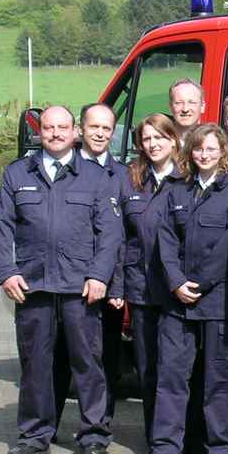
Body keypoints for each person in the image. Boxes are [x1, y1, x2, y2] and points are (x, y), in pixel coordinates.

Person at [0, 105, 123, 454]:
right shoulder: (19, 174)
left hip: (81, 289)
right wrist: (6, 272)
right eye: (49, 128)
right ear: (40, 132)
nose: (55, 134)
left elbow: (109, 233)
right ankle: (35, 434)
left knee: (88, 364)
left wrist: (99, 275)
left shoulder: (94, 178)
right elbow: (1, 228)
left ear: (74, 131)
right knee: (36, 365)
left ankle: (94, 435)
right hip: (33, 287)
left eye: (63, 127)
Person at [145, 124, 228, 454]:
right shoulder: (176, 189)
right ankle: (165, 448)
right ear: (190, 152)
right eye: (198, 149)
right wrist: (175, 282)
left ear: (223, 153)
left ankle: (218, 447)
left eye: (211, 149)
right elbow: (165, 238)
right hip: (177, 301)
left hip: (218, 299)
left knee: (218, 378)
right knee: (171, 375)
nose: (204, 155)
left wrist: (200, 283)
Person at [117, 113, 182, 444]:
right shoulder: (131, 180)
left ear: (173, 140)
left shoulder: (188, 179)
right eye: (147, 139)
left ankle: (175, 439)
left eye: (160, 137)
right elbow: (119, 237)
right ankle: (155, 436)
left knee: (174, 370)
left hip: (177, 294)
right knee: (148, 370)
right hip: (141, 290)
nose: (154, 144)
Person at [76, 103, 131, 427]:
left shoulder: (122, 175)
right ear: (81, 129)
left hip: (107, 282)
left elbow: (124, 236)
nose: (99, 133)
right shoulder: (66, 170)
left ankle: (99, 425)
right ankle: (48, 427)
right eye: (94, 127)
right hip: (66, 281)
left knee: (104, 358)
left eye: (106, 128)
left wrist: (117, 284)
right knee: (59, 359)